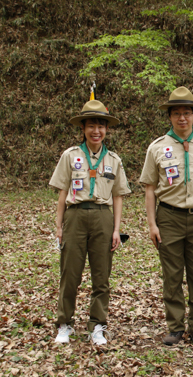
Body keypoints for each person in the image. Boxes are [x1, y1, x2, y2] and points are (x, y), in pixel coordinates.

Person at [140, 87, 193, 346]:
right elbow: (149, 188)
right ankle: (176, 327)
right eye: (176, 113)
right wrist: (152, 224)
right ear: (169, 116)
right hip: (169, 217)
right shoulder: (157, 148)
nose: (182, 118)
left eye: (187, 113)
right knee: (172, 276)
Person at [49, 99, 131, 345]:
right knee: (70, 274)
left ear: (106, 130)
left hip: (103, 217)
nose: (97, 131)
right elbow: (63, 191)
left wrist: (116, 229)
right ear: (83, 128)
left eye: (101, 126)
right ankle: (65, 324)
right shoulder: (70, 155)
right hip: (75, 216)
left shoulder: (114, 160)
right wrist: (58, 227)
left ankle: (97, 325)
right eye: (92, 125)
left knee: (101, 275)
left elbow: (117, 196)